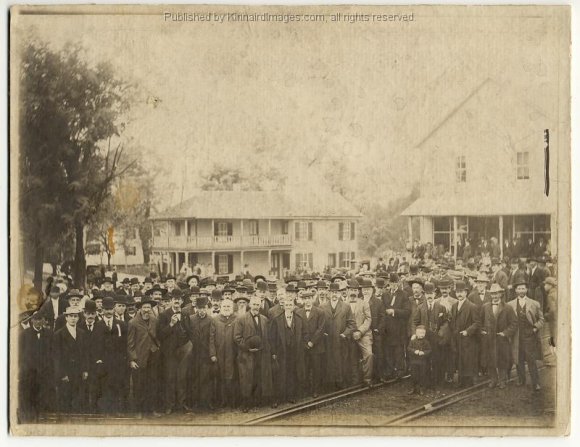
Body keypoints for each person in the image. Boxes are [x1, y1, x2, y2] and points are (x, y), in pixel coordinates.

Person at [233, 296, 273, 412]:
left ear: (260, 305)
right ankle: (246, 403)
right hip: (247, 355)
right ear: (250, 305)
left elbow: (267, 337)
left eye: (258, 304)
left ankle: (257, 400)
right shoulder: (241, 319)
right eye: (254, 304)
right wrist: (247, 348)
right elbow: (237, 337)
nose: (256, 307)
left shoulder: (265, 319)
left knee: (258, 377)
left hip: (261, 354)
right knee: (246, 379)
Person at [157, 289, 193, 414]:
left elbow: (189, 332)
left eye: (179, 299)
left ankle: (181, 403)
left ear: (182, 301)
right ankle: (170, 405)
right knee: (170, 378)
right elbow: (160, 335)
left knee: (182, 377)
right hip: (169, 352)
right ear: (171, 300)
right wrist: (171, 324)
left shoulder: (185, 314)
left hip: (183, 350)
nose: (177, 301)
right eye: (174, 299)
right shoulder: (164, 315)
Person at [506, 277, 544, 392]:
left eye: (523, 288)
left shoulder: (534, 304)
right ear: (515, 291)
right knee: (518, 358)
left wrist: (534, 329)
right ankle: (521, 379)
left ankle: (535, 382)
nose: (521, 291)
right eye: (519, 289)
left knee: (531, 359)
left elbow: (541, 320)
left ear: (526, 289)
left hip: (529, 336)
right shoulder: (510, 305)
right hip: (516, 336)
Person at [127, 296, 161, 417]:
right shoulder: (133, 323)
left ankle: (151, 409)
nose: (147, 309)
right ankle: (138, 410)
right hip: (139, 358)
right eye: (144, 307)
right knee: (139, 385)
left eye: (148, 307)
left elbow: (157, 336)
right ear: (140, 309)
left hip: (153, 356)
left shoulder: (154, 320)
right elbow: (130, 343)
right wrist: (132, 359)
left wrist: (157, 348)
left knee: (152, 383)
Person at [52, 306, 89, 413]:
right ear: (66, 318)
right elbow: (57, 356)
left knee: (78, 400)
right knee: (65, 400)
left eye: (75, 316)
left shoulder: (82, 333)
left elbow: (85, 353)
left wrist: (85, 370)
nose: (73, 318)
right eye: (71, 316)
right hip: (66, 372)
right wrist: (62, 374)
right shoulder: (58, 334)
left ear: (78, 318)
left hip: (78, 371)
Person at [270, 294, 305, 407]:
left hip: (294, 352)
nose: (289, 306)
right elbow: (272, 337)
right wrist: (274, 353)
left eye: (291, 304)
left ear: (293, 306)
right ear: (283, 306)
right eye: (287, 304)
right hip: (281, 352)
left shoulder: (299, 319)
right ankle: (277, 398)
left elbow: (303, 334)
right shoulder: (277, 319)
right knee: (280, 374)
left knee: (292, 373)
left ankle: (291, 396)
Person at [481, 284, 517, 389]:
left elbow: (514, 323)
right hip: (489, 339)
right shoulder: (485, 307)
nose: (494, 296)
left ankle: (502, 380)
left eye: (496, 293)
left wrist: (505, 333)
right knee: (490, 360)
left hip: (501, 339)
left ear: (501, 294)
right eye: (492, 294)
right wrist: (482, 331)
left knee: (502, 359)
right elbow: (480, 321)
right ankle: (493, 380)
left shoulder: (508, 308)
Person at [321, 282, 356, 391]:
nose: (334, 294)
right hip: (328, 340)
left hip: (341, 339)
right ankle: (330, 382)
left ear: (340, 293)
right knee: (329, 360)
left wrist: (344, 334)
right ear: (329, 293)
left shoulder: (346, 307)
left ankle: (341, 382)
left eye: (336, 292)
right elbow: (319, 324)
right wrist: (323, 333)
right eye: (332, 292)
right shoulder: (322, 307)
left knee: (341, 360)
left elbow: (352, 324)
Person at [19, 312, 53, 421]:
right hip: (29, 371)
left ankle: (41, 415)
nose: (38, 322)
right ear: (32, 320)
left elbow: (52, 352)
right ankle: (30, 416)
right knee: (30, 393)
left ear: (43, 320)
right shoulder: (24, 334)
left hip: (44, 371)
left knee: (43, 393)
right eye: (36, 319)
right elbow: (21, 354)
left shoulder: (49, 334)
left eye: (40, 319)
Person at [97, 296, 128, 413]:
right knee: (104, 386)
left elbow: (125, 343)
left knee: (117, 384)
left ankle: (116, 409)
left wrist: (123, 359)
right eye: (106, 309)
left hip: (117, 362)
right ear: (102, 310)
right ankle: (105, 410)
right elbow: (94, 344)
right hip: (103, 362)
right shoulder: (98, 325)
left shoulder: (121, 324)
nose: (108, 312)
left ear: (113, 309)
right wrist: (98, 359)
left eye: (110, 309)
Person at [413, 282, 448, 387]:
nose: (429, 296)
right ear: (425, 294)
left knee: (437, 359)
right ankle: (426, 381)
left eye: (431, 293)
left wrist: (441, 331)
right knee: (425, 360)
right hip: (425, 339)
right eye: (427, 294)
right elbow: (415, 322)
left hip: (437, 338)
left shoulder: (441, 307)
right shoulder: (420, 308)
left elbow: (446, 321)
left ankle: (438, 381)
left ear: (435, 294)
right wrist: (418, 332)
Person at [295, 290, 326, 397]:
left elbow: (321, 329)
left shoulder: (320, 312)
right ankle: (306, 389)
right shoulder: (298, 312)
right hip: (303, 346)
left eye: (309, 298)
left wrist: (312, 342)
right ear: (302, 300)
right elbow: (297, 329)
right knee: (305, 367)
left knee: (316, 368)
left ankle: (316, 390)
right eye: (305, 299)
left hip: (316, 346)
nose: (307, 301)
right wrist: (305, 342)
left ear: (313, 299)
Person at [450, 281, 480, 387]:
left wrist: (468, 331)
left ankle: (469, 381)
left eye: (461, 292)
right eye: (457, 292)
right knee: (459, 358)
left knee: (468, 359)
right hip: (457, 337)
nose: (459, 294)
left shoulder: (472, 306)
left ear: (466, 293)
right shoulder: (454, 306)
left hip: (468, 338)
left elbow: (477, 323)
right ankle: (461, 380)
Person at [210, 298, 238, 408]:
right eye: (224, 307)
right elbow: (211, 338)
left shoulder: (237, 319)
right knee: (220, 377)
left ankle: (232, 401)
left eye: (228, 307)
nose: (226, 309)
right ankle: (222, 400)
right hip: (219, 353)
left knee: (231, 377)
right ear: (221, 308)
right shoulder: (215, 320)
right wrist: (212, 353)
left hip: (232, 353)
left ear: (232, 308)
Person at [382, 273, 410, 380]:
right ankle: (389, 371)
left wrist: (394, 311)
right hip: (388, 328)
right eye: (391, 283)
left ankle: (400, 371)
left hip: (399, 328)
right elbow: (382, 310)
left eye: (395, 283)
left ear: (399, 283)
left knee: (398, 350)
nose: (393, 285)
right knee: (388, 350)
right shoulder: (385, 294)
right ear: (389, 283)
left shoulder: (404, 295)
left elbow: (407, 312)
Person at [189, 295, 214, 410]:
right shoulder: (191, 319)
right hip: (194, 353)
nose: (202, 311)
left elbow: (212, 337)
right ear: (197, 308)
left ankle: (206, 402)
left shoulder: (211, 320)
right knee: (194, 378)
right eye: (200, 308)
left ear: (207, 308)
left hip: (205, 354)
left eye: (204, 308)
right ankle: (194, 402)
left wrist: (211, 353)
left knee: (205, 378)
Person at [80, 300, 105, 414]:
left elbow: (105, 344)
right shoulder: (79, 326)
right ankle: (84, 408)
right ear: (84, 313)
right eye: (88, 313)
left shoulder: (101, 326)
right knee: (83, 385)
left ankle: (95, 408)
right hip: (83, 361)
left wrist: (101, 358)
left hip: (97, 361)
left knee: (97, 386)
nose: (90, 316)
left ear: (96, 314)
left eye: (93, 313)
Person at [347, 280, 373, 387]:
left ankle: (367, 378)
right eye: (351, 290)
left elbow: (368, 319)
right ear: (347, 291)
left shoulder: (364, 303)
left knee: (369, 355)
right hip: (348, 334)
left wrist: (360, 331)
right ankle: (354, 379)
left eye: (355, 290)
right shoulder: (343, 304)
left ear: (358, 292)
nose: (353, 292)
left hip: (363, 334)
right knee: (350, 356)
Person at [407, 325, 432, 395]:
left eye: (423, 333)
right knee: (414, 375)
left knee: (422, 375)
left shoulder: (426, 342)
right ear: (416, 333)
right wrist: (414, 351)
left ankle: (421, 388)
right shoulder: (413, 341)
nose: (422, 335)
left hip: (422, 362)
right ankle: (413, 388)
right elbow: (409, 348)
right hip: (414, 361)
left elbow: (429, 350)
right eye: (420, 333)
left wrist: (424, 352)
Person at [543, 277, 558, 360]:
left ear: (550, 285)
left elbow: (552, 310)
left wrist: (545, 316)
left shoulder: (550, 295)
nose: (544, 286)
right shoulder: (556, 293)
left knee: (553, 338)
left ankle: (554, 358)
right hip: (558, 320)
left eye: (546, 284)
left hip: (553, 321)